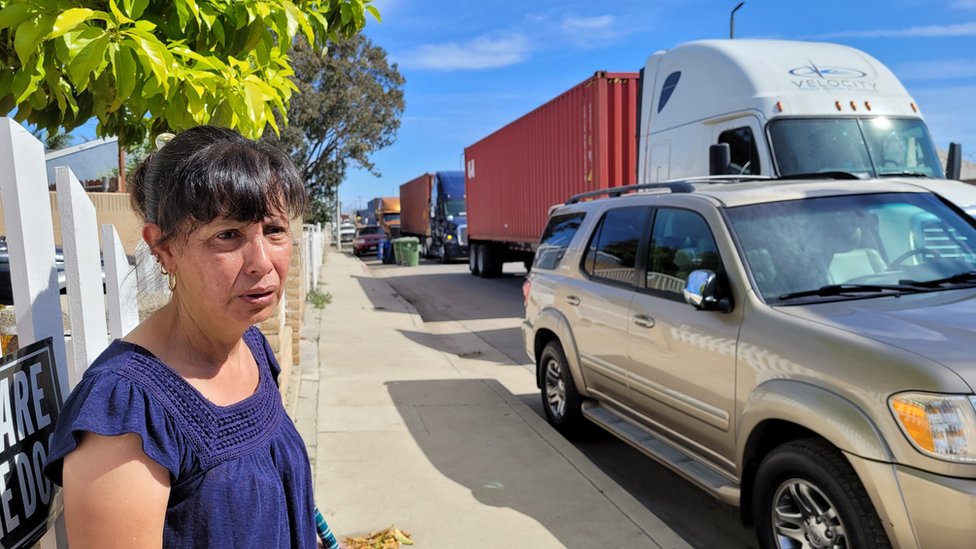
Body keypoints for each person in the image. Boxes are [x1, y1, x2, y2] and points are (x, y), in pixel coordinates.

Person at [43, 125, 320, 548]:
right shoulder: (126, 417)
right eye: (228, 235)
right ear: (163, 248)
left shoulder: (252, 346)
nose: (261, 262)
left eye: (274, 230)